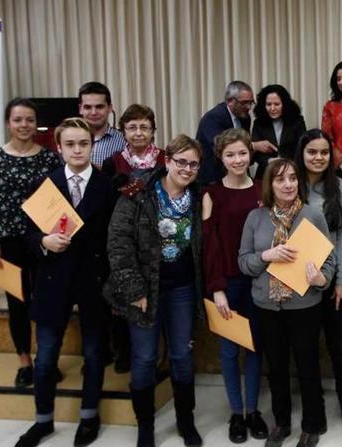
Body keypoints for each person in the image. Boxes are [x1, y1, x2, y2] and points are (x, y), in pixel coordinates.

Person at [15, 118, 115, 447]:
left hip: (93, 280)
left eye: (83, 144)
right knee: (45, 359)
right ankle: (43, 421)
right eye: (70, 144)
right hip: (52, 281)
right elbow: (27, 235)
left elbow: (113, 238)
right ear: (59, 148)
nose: (76, 150)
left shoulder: (107, 185)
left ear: (91, 145)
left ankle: (89, 417)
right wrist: (44, 241)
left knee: (93, 354)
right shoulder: (44, 185)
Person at [105, 135, 206, 447]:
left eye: (193, 164)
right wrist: (135, 289)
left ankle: (185, 421)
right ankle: (145, 426)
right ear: (167, 161)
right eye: (181, 162)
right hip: (144, 290)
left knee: (182, 356)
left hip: (182, 290)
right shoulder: (138, 194)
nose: (187, 169)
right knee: (146, 358)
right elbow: (118, 243)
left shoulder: (200, 197)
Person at [238, 158, 334, 447]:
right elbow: (243, 262)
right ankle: (281, 423)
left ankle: (313, 423)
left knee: (307, 365)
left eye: (293, 178)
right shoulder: (255, 218)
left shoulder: (312, 216)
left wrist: (321, 279)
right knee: (276, 367)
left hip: (304, 305)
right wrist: (266, 256)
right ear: (270, 184)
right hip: (267, 306)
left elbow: (330, 260)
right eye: (281, 179)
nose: (288, 184)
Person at [0, 98, 62, 389]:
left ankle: (47, 360)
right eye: (17, 120)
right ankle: (25, 361)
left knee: (47, 302)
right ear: (8, 123)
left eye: (29, 120)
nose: (24, 125)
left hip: (42, 241)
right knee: (18, 303)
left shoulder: (50, 158)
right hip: (8, 242)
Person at [202, 129, 267, 444]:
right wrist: (216, 288)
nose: (237, 159)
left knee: (254, 349)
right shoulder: (211, 194)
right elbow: (209, 245)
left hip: (258, 282)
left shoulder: (261, 190)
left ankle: (253, 410)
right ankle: (236, 413)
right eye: (230, 155)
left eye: (242, 153)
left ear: (250, 155)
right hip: (226, 282)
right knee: (229, 352)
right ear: (221, 158)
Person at [293, 129, 342, 431]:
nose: (318, 158)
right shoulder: (290, 183)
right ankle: (312, 399)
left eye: (324, 152)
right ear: (302, 154)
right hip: (298, 280)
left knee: (341, 345)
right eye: (312, 152)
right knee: (305, 346)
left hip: (333, 280)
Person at [100, 103, 165, 374]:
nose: (138, 133)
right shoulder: (112, 162)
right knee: (124, 296)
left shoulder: (166, 160)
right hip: (124, 240)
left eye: (144, 127)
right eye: (132, 127)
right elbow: (105, 205)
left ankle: (161, 355)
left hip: (160, 240)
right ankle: (124, 352)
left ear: (153, 131)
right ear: (123, 131)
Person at [196, 80, 255, 184]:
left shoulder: (245, 117)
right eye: (244, 103)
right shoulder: (213, 117)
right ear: (230, 101)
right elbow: (220, 146)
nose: (249, 107)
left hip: (237, 176)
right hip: (213, 177)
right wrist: (254, 145)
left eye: (251, 102)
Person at [251, 84, 307, 179]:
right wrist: (269, 161)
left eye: (276, 104)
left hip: (292, 171)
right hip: (265, 172)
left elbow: (302, 147)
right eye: (268, 104)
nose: (272, 109)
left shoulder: (297, 121)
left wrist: (285, 161)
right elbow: (256, 152)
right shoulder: (258, 123)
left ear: (284, 104)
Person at [78, 81, 125, 167]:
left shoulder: (124, 141)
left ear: (110, 108)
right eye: (88, 107)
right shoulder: (68, 141)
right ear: (80, 109)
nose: (93, 112)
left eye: (99, 107)